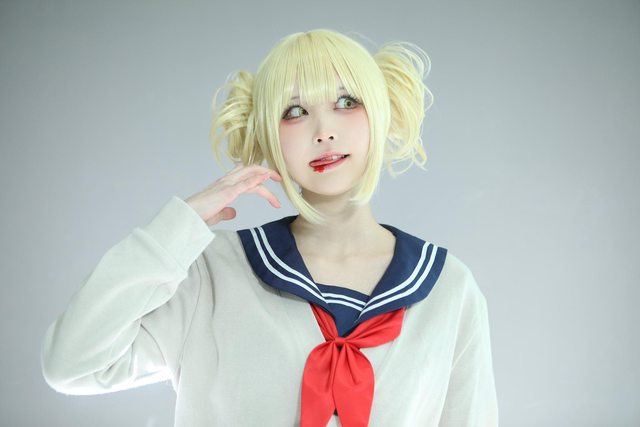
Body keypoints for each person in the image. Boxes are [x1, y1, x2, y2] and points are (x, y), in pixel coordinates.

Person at [41, 28, 499, 426]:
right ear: (264, 133)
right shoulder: (214, 273)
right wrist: (178, 228)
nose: (323, 131)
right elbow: (72, 363)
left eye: (346, 102)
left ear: (382, 112)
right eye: (294, 112)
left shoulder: (448, 290)